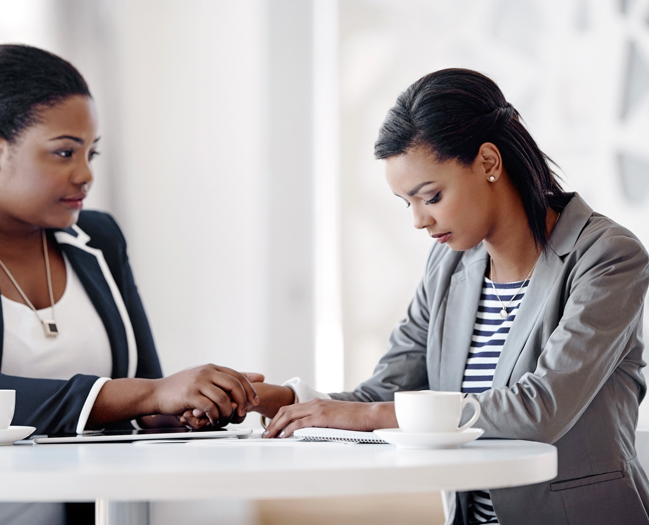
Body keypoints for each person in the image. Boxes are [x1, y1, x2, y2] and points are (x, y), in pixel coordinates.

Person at [0, 44, 257, 525]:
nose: (85, 174)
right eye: (64, 152)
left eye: (91, 152)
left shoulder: (98, 238)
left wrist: (190, 405)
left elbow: (143, 387)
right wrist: (152, 394)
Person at [249, 69, 649, 524]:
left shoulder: (607, 257)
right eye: (408, 203)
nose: (419, 221)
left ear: (488, 162)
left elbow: (541, 409)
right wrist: (271, 398)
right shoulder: (449, 267)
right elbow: (384, 393)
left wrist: (369, 416)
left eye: (431, 196)